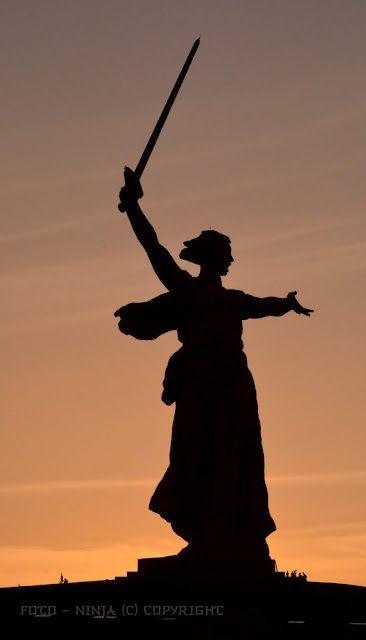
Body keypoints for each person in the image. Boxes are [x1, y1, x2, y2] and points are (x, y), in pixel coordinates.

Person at [116, 168, 313, 560]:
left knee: (233, 454)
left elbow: (264, 306)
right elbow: (153, 247)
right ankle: (209, 533)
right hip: (201, 382)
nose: (231, 260)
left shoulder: (233, 299)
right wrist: (134, 208)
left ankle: (230, 533)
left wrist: (286, 304)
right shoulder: (187, 290)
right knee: (198, 455)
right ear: (212, 258)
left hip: (232, 383)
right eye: (226, 254)